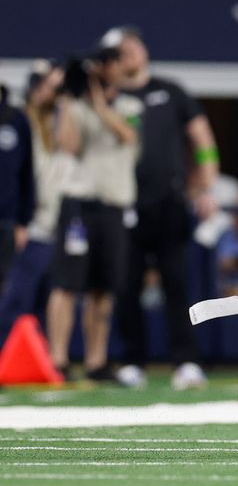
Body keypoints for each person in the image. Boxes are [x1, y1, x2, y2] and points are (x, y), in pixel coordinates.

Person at [100, 26, 220, 390]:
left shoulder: (170, 91)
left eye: (133, 46)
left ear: (144, 49)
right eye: (121, 51)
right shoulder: (107, 98)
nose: (129, 54)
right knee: (125, 285)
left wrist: (205, 185)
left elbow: (202, 139)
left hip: (168, 203)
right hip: (123, 203)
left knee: (176, 284)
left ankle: (185, 361)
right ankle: (132, 360)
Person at [47, 46, 141, 380]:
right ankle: (57, 359)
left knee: (103, 287)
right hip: (79, 204)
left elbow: (128, 135)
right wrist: (67, 99)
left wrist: (99, 103)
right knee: (67, 283)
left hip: (113, 206)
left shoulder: (130, 105)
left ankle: (95, 361)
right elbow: (69, 146)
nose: (108, 70)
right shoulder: (74, 105)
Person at [0, 61, 71, 334]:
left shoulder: (65, 121)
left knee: (47, 303)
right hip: (31, 227)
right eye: (45, 84)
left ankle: (39, 362)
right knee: (15, 302)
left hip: (60, 226)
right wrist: (23, 219)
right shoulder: (21, 120)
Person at [0, 80, 34, 292]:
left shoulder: (16, 119)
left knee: (5, 284)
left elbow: (26, 173)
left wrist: (23, 222)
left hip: (6, 220)